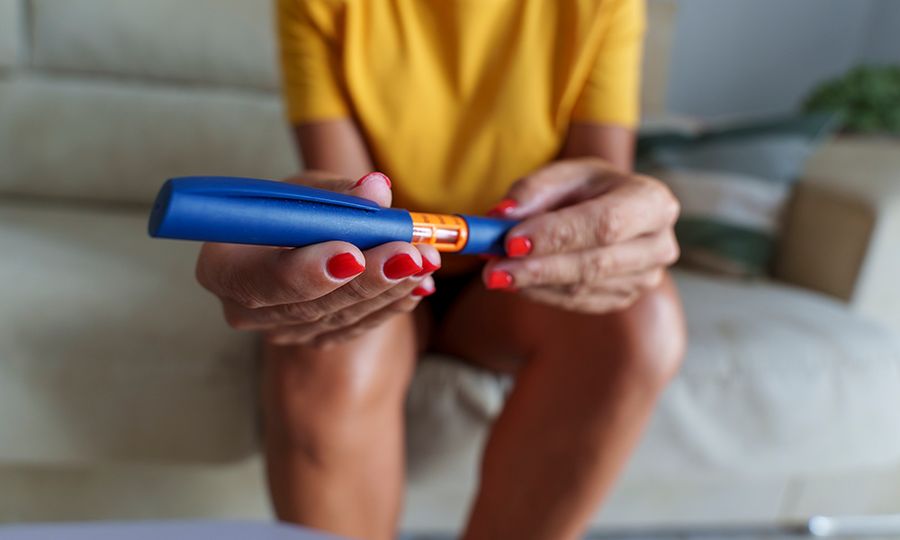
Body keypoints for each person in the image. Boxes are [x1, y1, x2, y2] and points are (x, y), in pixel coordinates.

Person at [195, 0, 686, 538]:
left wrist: (612, 217)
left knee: (640, 321)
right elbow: (357, 209)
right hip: (389, 263)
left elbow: (595, 187)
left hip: (515, 278)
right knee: (328, 331)